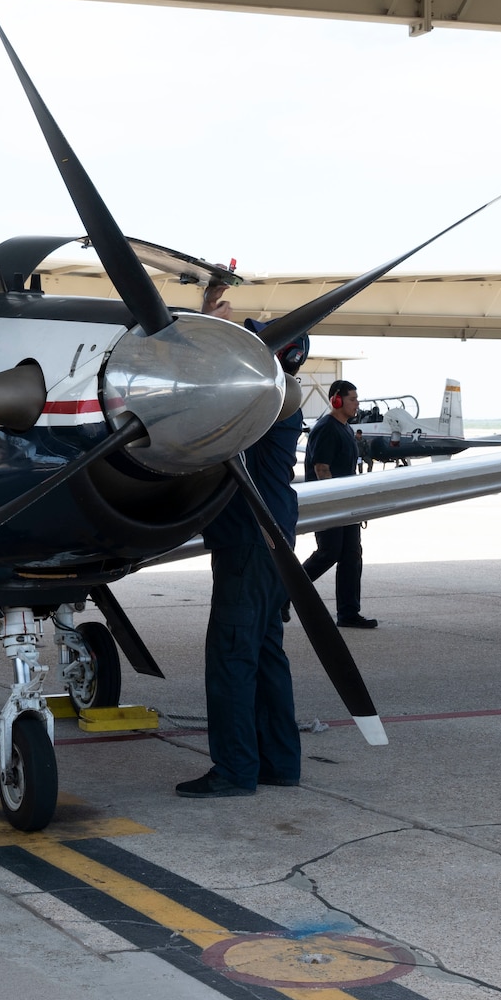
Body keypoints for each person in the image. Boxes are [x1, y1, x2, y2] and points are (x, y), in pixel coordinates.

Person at [177, 316, 309, 799]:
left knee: (232, 657)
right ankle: (279, 762)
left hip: (248, 548)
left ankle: (234, 770)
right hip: (272, 544)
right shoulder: (276, 399)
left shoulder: (261, 397)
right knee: (266, 654)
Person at [302, 379, 377, 630]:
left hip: (346, 504)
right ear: (336, 399)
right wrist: (335, 501)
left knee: (352, 556)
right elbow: (322, 469)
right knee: (329, 553)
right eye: (352, 399)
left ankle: (348, 613)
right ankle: (281, 594)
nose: (357, 403)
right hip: (329, 503)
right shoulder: (326, 428)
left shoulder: (345, 428)